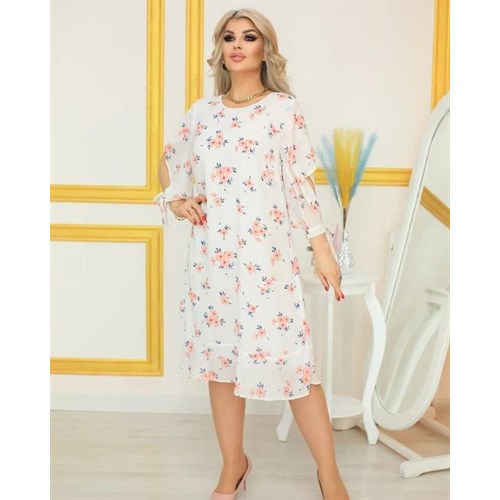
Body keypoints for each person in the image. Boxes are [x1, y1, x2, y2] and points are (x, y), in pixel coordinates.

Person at [154, 8, 350, 500]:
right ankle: (233, 466)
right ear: (220, 49)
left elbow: (300, 184)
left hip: (268, 261)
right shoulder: (202, 113)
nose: (237, 45)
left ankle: (330, 476)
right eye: (229, 37)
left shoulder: (283, 109)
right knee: (221, 366)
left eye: (248, 37)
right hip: (213, 262)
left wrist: (321, 249)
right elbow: (169, 161)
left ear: (265, 49)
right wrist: (177, 200)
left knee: (295, 366)